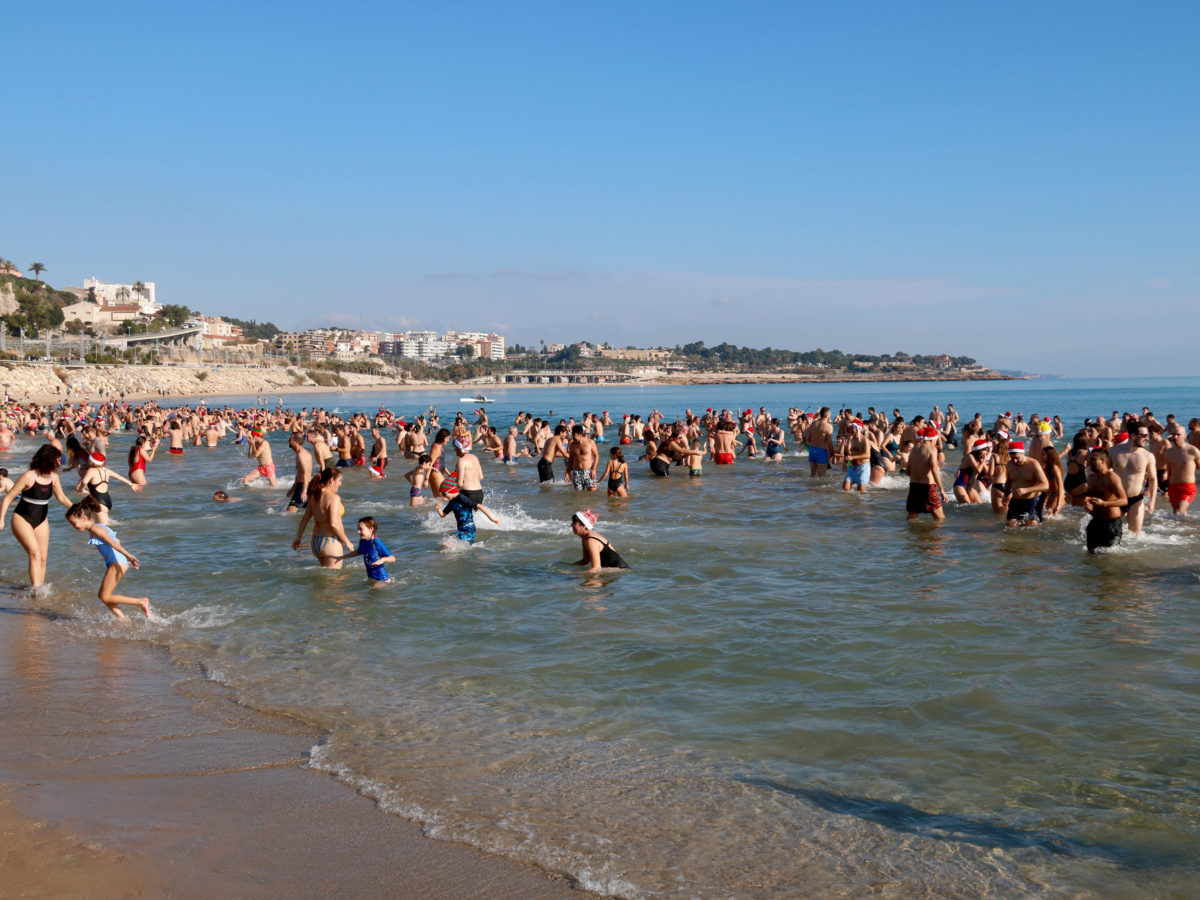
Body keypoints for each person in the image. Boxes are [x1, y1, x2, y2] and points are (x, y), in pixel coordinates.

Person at [0, 444, 74, 586]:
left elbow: (62, 499)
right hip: (22, 518)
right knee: (35, 554)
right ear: (49, 460)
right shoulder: (29, 476)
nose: (60, 462)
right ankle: (36, 591)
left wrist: (78, 508)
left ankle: (39, 589)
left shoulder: (54, 477)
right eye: (58, 459)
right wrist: (1, 520)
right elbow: (8, 497)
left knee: (43, 558)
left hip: (41, 519)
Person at [65, 496, 150, 619]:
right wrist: (124, 560)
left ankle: (140, 602)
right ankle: (122, 618)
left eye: (73, 523)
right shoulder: (100, 526)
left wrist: (129, 556)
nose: (73, 526)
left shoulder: (96, 529)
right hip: (117, 562)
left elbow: (113, 543)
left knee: (105, 596)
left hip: (116, 563)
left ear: (84, 518)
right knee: (103, 596)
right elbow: (117, 540)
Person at [292, 468, 354, 568]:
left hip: (316, 542)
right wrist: (347, 542)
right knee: (335, 581)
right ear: (331, 480)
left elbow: (305, 518)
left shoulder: (315, 496)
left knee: (325, 581)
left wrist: (298, 538)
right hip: (330, 543)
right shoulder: (334, 498)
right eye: (339, 480)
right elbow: (333, 524)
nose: (340, 484)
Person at [1109, 427, 1157, 535]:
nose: (1147, 438)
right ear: (1133, 436)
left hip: (1136, 499)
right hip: (1116, 498)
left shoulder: (1148, 456)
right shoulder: (1114, 451)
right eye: (1144, 435)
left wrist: (1152, 501)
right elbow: (1103, 474)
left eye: (1147, 435)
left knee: (1134, 537)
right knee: (1110, 533)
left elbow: (1153, 479)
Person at [76, 451, 143, 521]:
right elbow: (119, 477)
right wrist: (131, 484)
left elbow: (84, 481)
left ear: (91, 461)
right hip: (106, 500)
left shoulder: (91, 470)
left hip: (98, 502)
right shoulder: (107, 471)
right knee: (91, 521)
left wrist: (81, 488)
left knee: (104, 527)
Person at [1083, 449, 1127, 553]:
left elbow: (1124, 500)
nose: (1089, 462)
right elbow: (1088, 496)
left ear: (1102, 461)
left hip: (1112, 523)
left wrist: (1104, 504)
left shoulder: (1112, 478)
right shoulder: (1091, 478)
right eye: (1089, 459)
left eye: (1093, 459)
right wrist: (1084, 500)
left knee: (1109, 558)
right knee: (1090, 554)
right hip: (1096, 521)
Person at [436, 473, 499, 544]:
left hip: (468, 528)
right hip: (461, 529)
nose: (443, 497)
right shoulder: (452, 502)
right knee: (446, 543)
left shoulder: (462, 498)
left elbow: (479, 506)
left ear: (451, 490)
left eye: (444, 494)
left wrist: (492, 519)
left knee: (451, 543)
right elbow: (443, 515)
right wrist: (438, 509)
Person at [335, 516, 395, 583]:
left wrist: (382, 559)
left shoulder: (377, 543)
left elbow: (392, 558)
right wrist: (342, 557)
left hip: (382, 579)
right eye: (358, 529)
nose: (358, 532)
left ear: (371, 529)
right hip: (371, 578)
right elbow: (358, 552)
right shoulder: (363, 541)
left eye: (361, 529)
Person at [1004, 441, 1049, 527]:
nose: (1014, 460)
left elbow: (1045, 485)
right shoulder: (1010, 464)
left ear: (1023, 453)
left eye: (1017, 458)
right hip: (1016, 500)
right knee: (1010, 525)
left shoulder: (1033, 464)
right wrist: (1006, 495)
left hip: (1032, 500)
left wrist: (1026, 490)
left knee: (1030, 526)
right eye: (1012, 458)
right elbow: (1009, 481)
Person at [905, 427, 945, 521]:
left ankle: (910, 535)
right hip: (928, 487)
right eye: (936, 439)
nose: (936, 441)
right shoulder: (932, 449)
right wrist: (942, 490)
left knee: (912, 518)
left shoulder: (914, 449)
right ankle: (934, 535)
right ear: (932, 438)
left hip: (914, 486)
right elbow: (934, 470)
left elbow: (908, 471)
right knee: (940, 518)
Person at [1163, 428, 1200, 515]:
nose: (1175, 437)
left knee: (1178, 511)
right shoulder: (1168, 452)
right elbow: (1169, 471)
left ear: (1185, 436)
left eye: (1178, 434)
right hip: (1173, 487)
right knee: (1178, 514)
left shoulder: (1193, 451)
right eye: (1173, 434)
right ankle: (1188, 527)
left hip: (1188, 487)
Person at [285, 434, 313, 512]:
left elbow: (306, 473)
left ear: (296, 442)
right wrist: (293, 488)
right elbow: (300, 473)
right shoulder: (303, 453)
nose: (288, 441)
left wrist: (304, 491)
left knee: (289, 512)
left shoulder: (301, 454)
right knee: (308, 513)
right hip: (303, 485)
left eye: (290, 440)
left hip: (303, 486)